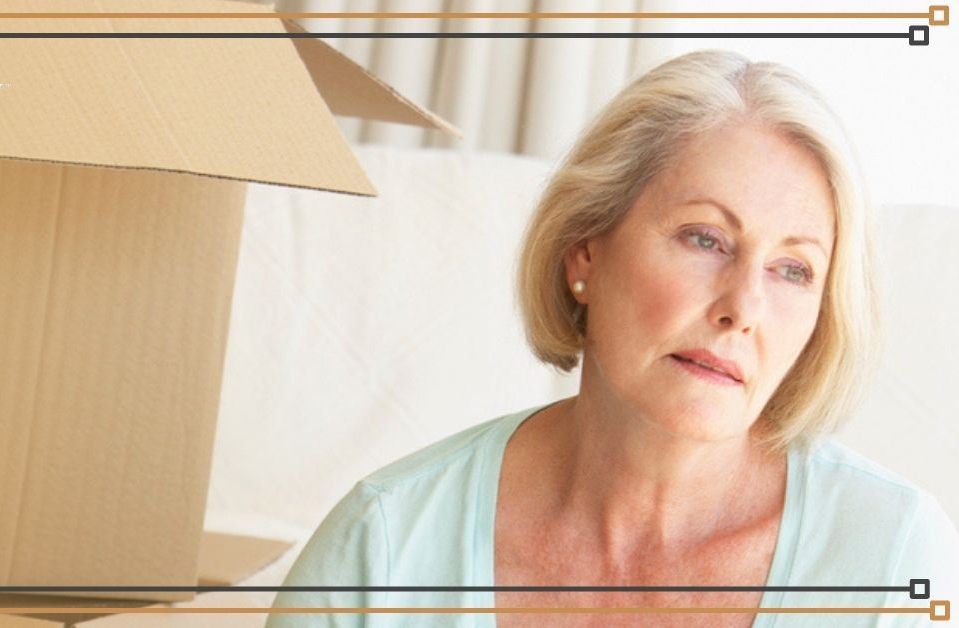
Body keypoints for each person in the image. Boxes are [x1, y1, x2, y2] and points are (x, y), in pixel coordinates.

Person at [265, 50, 959, 627]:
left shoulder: (891, 558)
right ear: (584, 252)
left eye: (792, 269)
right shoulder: (385, 546)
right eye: (705, 238)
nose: (743, 307)